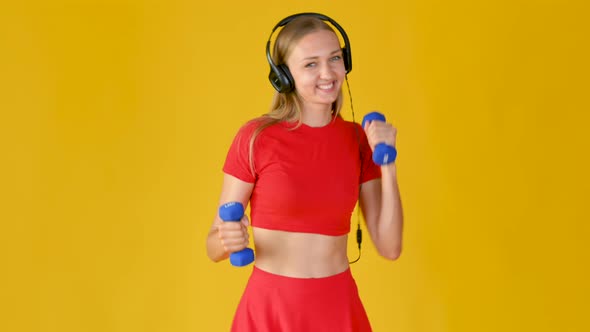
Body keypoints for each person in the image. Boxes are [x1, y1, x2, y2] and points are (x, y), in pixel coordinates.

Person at [206, 12, 403, 332]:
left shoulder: (358, 140)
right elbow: (213, 246)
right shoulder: (256, 138)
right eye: (311, 63)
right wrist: (228, 239)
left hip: (338, 308)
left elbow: (390, 247)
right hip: (270, 310)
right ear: (283, 76)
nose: (327, 72)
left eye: (335, 58)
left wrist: (389, 164)